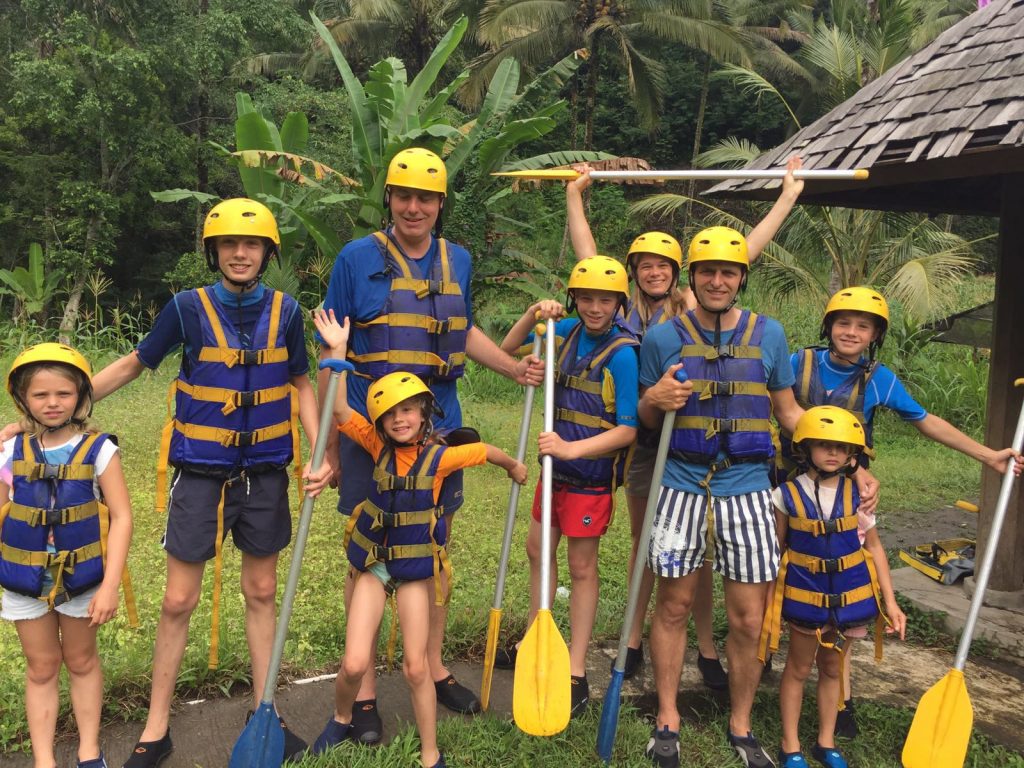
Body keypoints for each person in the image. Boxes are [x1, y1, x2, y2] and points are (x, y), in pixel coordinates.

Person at [308, 147, 542, 741]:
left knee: (434, 545)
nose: (414, 207)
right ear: (389, 198)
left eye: (426, 198)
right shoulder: (356, 259)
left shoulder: (456, 259)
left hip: (438, 427)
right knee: (367, 546)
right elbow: (330, 351)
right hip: (370, 427)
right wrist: (327, 448)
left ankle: (433, 667)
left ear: (440, 205)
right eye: (403, 195)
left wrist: (510, 369)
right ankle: (361, 695)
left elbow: (459, 331)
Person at [83, 198, 320, 767]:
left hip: (263, 475)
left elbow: (301, 384)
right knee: (178, 599)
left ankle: (266, 713)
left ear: (267, 252)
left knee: (262, 592)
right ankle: (157, 727)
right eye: (229, 244)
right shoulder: (187, 309)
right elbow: (134, 364)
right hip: (202, 474)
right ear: (213, 251)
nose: (240, 252)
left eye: (252, 244)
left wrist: (321, 452)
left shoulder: (288, 313)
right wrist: (59, 407)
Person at [637, 226, 879, 768]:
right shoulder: (662, 338)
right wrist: (655, 397)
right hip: (681, 482)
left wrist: (853, 463)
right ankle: (667, 717)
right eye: (707, 272)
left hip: (748, 487)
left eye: (728, 272)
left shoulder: (768, 335)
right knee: (673, 605)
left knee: (748, 618)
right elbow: (646, 418)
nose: (717, 280)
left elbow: (789, 412)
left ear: (742, 278)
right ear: (692, 278)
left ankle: (742, 724)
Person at [565, 157, 806, 687]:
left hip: (699, 438)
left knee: (693, 551)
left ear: (680, 273)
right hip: (643, 440)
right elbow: (587, 261)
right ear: (632, 273)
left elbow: (742, 255)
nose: (653, 271)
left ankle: (705, 647)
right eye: (643, 264)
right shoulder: (620, 311)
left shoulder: (691, 305)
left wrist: (787, 197)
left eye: (662, 264)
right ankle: (632, 639)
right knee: (651, 545)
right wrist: (575, 197)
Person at [781, 285, 1023, 738]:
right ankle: (783, 657)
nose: (851, 332)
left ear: (875, 335)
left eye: (863, 326)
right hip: (791, 486)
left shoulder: (880, 378)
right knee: (792, 576)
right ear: (828, 326)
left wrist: (986, 455)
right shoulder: (800, 363)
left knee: (846, 584)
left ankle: (841, 693)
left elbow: (926, 421)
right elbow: (776, 406)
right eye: (843, 322)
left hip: (848, 490)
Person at [309, 308, 526, 768]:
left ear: (425, 412)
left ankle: (431, 754)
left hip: (413, 571)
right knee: (352, 663)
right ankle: (341, 716)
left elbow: (485, 451)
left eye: (408, 410)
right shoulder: (373, 443)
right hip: (374, 564)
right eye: (390, 414)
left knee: (415, 666)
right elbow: (343, 408)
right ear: (381, 421)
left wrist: (514, 466)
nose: (400, 420)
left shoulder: (440, 457)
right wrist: (338, 352)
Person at [496, 255, 639, 716]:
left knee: (581, 568)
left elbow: (629, 428)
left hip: (588, 479)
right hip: (553, 473)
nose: (595, 307)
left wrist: (570, 449)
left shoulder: (624, 353)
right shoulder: (565, 331)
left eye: (605, 300)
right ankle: (538, 637)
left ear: (619, 303)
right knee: (538, 551)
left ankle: (575, 670)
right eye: (587, 298)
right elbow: (510, 345)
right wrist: (535, 314)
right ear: (574, 298)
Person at [1, 343, 133, 768]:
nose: (53, 403)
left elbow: (123, 517)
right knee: (41, 667)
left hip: (83, 581)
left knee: (81, 661)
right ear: (23, 399)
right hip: (25, 580)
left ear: (81, 394)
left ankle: (89, 751)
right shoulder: (10, 450)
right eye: (40, 395)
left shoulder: (101, 451)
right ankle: (44, 760)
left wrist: (110, 586)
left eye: (64, 393)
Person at [764, 406, 907, 768]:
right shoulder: (785, 495)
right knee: (797, 669)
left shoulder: (858, 497)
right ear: (806, 447)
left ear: (852, 456)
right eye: (825, 445)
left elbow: (873, 548)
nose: (833, 453)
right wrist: (769, 606)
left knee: (832, 669)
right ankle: (790, 744)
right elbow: (779, 550)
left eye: (842, 448)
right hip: (805, 598)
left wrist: (891, 604)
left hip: (849, 601)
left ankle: (825, 742)